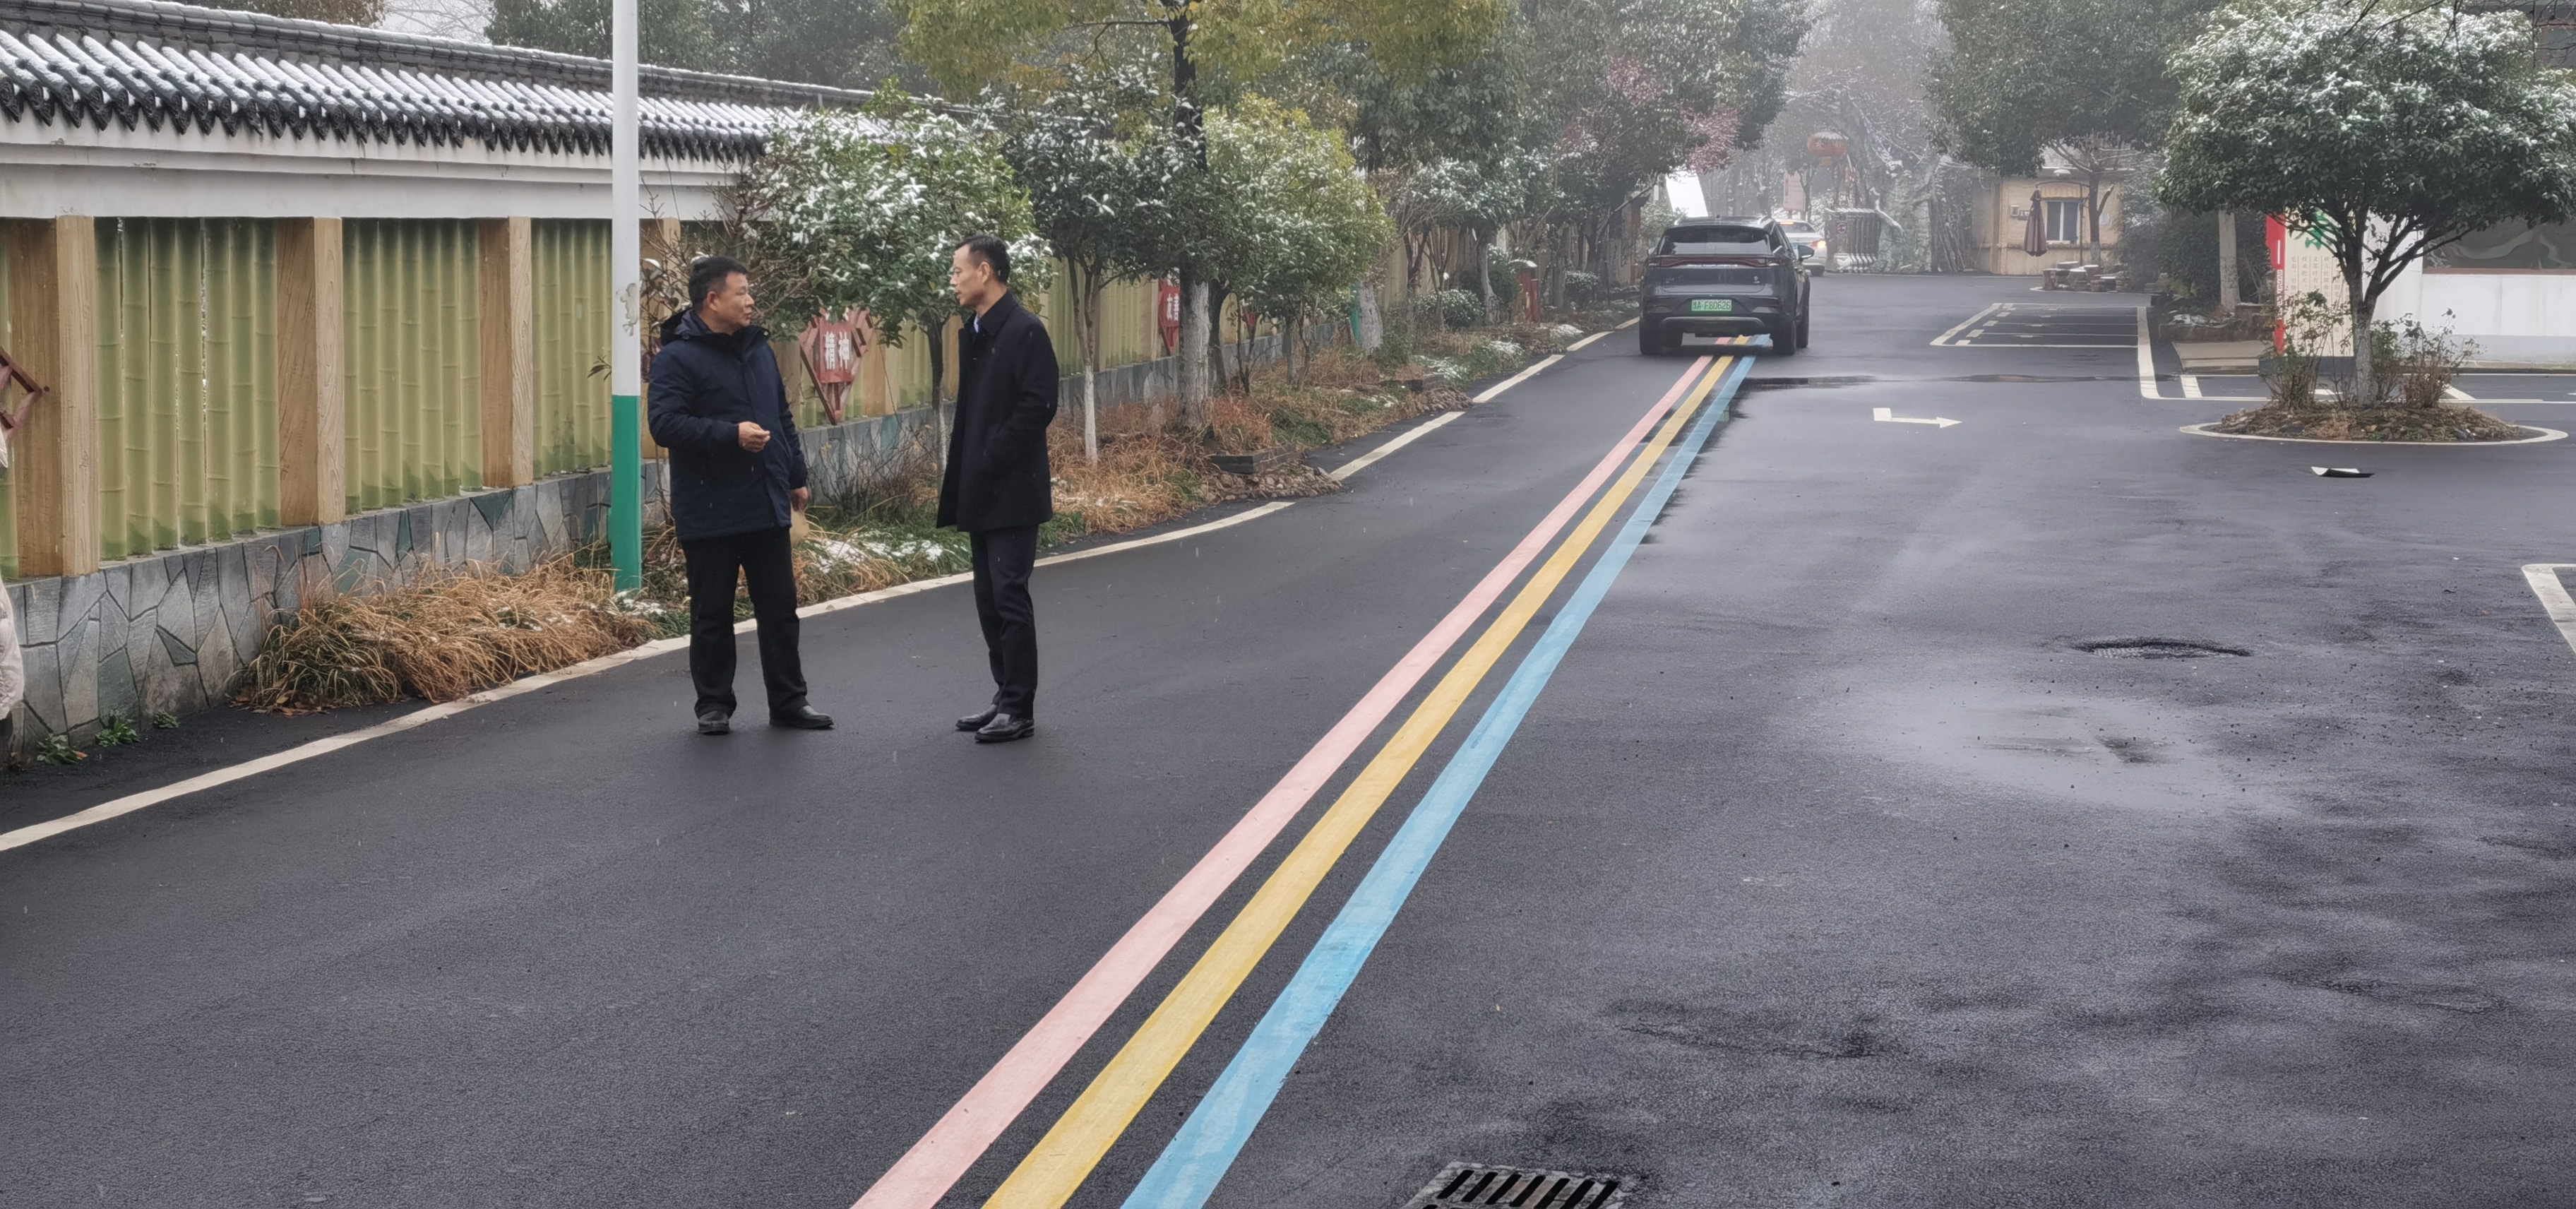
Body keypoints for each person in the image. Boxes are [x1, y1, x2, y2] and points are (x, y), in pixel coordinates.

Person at [648, 256, 833, 736]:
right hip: (709, 506)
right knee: (712, 612)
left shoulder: (758, 350)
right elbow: (664, 424)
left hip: (765, 500)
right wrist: (730, 435)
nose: (751, 301)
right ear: (713, 300)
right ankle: (713, 705)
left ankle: (790, 701)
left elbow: (781, 416)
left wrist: (795, 474)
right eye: (742, 292)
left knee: (780, 610)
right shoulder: (677, 358)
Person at [940, 234, 1057, 744]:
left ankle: (1019, 707)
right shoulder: (976, 330)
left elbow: (1039, 404)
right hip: (980, 485)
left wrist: (993, 455)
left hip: (1012, 487)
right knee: (988, 596)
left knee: (1010, 595)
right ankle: (1003, 693)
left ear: (984, 272)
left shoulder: (1024, 329)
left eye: (958, 270)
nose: (953, 280)